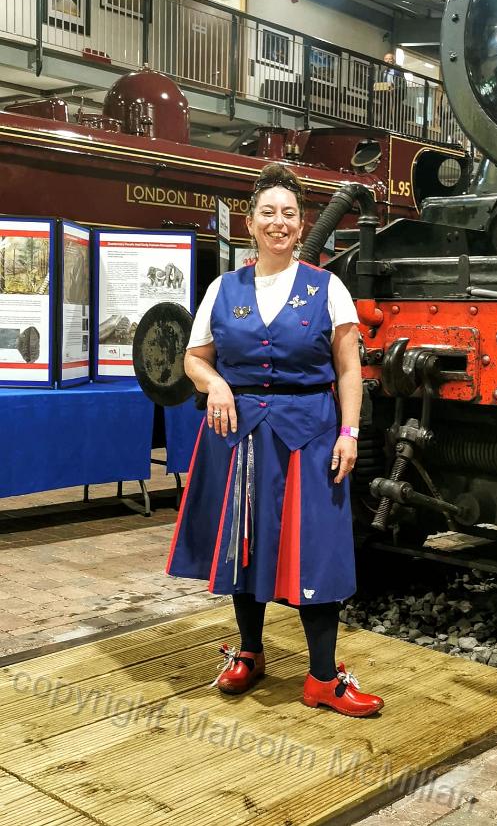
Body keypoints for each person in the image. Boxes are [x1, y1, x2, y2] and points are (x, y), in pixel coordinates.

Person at [165, 162, 384, 717]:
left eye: (289, 213)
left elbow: (349, 370)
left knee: (318, 550)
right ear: (251, 221)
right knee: (244, 542)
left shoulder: (327, 287)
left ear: (303, 222)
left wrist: (350, 432)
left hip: (310, 434)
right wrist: (215, 385)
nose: (279, 222)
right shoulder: (223, 287)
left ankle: (323, 677)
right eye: (269, 213)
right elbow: (194, 357)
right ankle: (250, 651)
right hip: (238, 436)